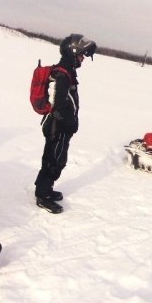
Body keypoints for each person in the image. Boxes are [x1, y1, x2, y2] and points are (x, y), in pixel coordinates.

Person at [34, 33, 96, 214]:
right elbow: (58, 105)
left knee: (56, 159)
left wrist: (72, 121)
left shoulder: (68, 71)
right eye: (81, 55)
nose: (83, 59)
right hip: (57, 127)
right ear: (72, 53)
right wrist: (68, 123)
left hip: (61, 127)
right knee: (54, 161)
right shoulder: (62, 74)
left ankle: (46, 188)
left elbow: (68, 102)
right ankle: (42, 195)